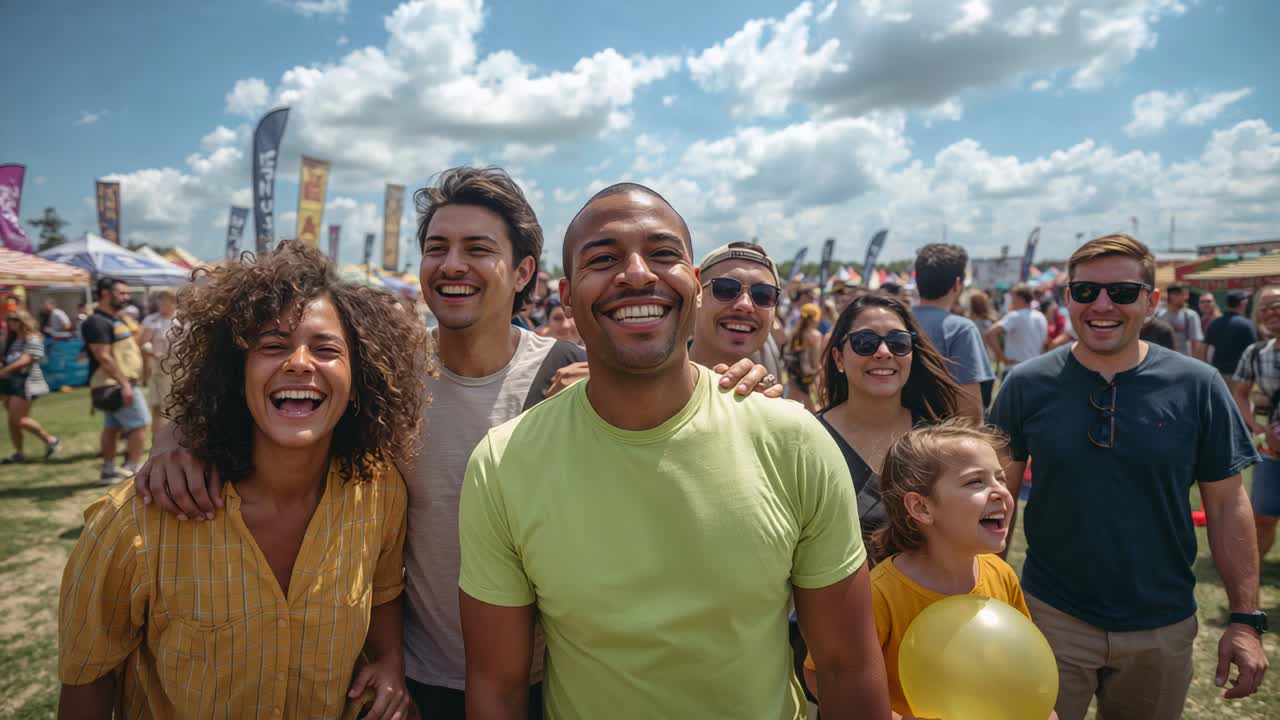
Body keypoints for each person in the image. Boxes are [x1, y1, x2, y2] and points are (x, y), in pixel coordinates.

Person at [134, 167, 774, 720]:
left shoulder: (578, 372)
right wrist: (176, 435)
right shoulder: (381, 377)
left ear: (523, 270)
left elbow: (673, 394)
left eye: (477, 248)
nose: (453, 264)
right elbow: (269, 393)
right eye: (437, 247)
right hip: (416, 681)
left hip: (558, 679)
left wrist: (740, 380)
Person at [458, 183, 891, 719]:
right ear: (566, 297)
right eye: (603, 257)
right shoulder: (503, 464)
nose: (638, 273)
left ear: (696, 285)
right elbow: (496, 687)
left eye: (664, 254)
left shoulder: (793, 441)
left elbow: (849, 666)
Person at [58, 241, 427, 719]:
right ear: (235, 374)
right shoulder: (133, 524)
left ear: (359, 379)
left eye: (326, 349)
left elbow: (382, 593)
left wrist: (391, 662)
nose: (298, 362)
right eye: (272, 346)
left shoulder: (379, 493)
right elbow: (87, 686)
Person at [990, 234, 1268, 719]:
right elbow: (996, 502)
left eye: (1120, 292)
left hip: (1161, 622)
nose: (1101, 305)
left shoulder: (1198, 386)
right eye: (1084, 292)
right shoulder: (1025, 385)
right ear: (1067, 298)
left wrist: (1244, 619)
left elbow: (1227, 505)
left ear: (1150, 301)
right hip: (1050, 615)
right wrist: (985, 603)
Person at [804, 421, 1052, 719]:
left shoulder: (1001, 575)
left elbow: (1020, 666)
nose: (1000, 491)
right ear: (921, 508)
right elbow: (821, 674)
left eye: (1000, 478)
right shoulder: (879, 594)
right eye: (976, 482)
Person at [816, 291, 963, 544]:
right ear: (839, 358)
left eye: (898, 342)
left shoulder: (939, 441)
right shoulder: (809, 438)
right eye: (865, 341)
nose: (883, 352)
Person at [1230, 283, 1280, 566]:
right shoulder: (1256, 353)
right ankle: (1253, 585)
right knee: (1262, 518)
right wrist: (1256, 427)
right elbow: (1240, 392)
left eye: (1277, 305)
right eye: (1264, 308)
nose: (1271, 313)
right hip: (1273, 451)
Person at [81, 277, 149, 483]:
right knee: (140, 424)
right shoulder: (96, 322)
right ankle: (132, 469)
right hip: (116, 384)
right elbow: (103, 356)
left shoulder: (116, 319)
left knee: (112, 427)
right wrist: (125, 384)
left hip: (119, 383)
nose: (126, 297)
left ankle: (109, 470)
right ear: (105, 294)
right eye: (122, 293)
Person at [912, 244, 992, 419]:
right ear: (957, 284)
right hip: (939, 439)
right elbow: (970, 413)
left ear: (917, 280)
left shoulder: (896, 320)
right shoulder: (961, 329)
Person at [688, 241, 782, 373]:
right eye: (726, 289)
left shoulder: (770, 386)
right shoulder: (654, 381)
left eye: (763, 295)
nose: (745, 304)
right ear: (697, 292)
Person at [0, 308, 59, 463]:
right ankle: (19, 452)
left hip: (25, 383)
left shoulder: (32, 338)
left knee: (20, 419)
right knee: (12, 421)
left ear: (23, 320)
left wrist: (4, 370)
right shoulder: (12, 340)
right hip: (10, 383)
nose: (12, 323)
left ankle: (51, 440)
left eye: (15, 319)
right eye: (10, 320)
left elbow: (27, 359)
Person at [140, 288, 178, 439]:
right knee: (156, 405)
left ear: (174, 303)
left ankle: (171, 439)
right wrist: (151, 351)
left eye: (166, 300)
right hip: (156, 368)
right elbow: (143, 343)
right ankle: (157, 439)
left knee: (173, 405)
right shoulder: (151, 320)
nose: (162, 303)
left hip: (175, 369)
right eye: (160, 300)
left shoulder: (181, 320)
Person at [986, 283, 1048, 373]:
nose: (1011, 301)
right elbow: (1044, 345)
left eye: (1013, 298)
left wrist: (1003, 359)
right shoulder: (1041, 317)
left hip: (1015, 369)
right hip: (1035, 369)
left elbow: (990, 334)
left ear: (1020, 299)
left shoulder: (1015, 316)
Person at [1206, 291, 1259, 383]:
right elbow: (1255, 350)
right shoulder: (1247, 325)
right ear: (1243, 304)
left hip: (1217, 374)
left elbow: (1203, 348)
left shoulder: (1214, 323)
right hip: (1240, 374)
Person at [784, 302, 824, 410]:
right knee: (814, 410)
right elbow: (815, 363)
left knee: (792, 409)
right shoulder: (815, 335)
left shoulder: (793, 333)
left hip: (793, 378)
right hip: (807, 379)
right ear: (816, 318)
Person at [1156, 283, 1205, 359]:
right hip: (1163, 360)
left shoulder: (1190, 315)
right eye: (1183, 295)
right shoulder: (1159, 315)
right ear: (1172, 296)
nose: (1186, 298)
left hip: (1184, 360)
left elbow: (1196, 343)